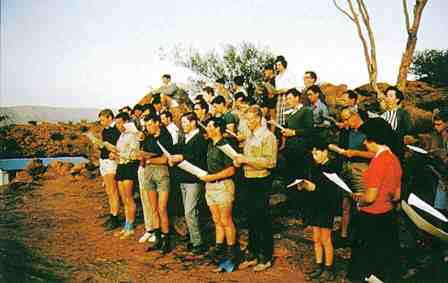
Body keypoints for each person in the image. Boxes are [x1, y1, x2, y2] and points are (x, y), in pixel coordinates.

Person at [347, 118, 402, 282]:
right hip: (387, 216)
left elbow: (370, 197)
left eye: (366, 139)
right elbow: (397, 195)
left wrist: (359, 200)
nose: (364, 143)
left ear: (374, 140)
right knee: (383, 262)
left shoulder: (379, 161)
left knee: (366, 262)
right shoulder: (394, 158)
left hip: (371, 217)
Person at [234, 105, 277, 272]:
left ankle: (265, 256)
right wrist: (238, 160)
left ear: (259, 118)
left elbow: (270, 162)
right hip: (248, 179)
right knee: (250, 217)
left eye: (250, 119)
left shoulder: (268, 137)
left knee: (262, 218)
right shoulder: (249, 137)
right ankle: (252, 254)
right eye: (246, 120)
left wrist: (246, 160)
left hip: (261, 180)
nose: (248, 123)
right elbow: (247, 158)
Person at [297, 139, 339, 281]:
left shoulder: (332, 167)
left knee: (325, 239)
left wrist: (314, 188)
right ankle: (319, 265)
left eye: (317, 153)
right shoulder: (315, 166)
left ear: (325, 152)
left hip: (326, 207)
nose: (314, 156)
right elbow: (312, 184)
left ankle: (329, 268)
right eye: (313, 153)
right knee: (316, 238)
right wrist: (304, 186)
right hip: (314, 206)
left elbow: (331, 191)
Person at [169, 112, 208, 255]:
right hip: (184, 178)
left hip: (194, 180)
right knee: (190, 212)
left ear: (193, 123)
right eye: (182, 123)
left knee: (190, 212)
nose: (183, 125)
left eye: (185, 122)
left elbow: (199, 158)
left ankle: (198, 242)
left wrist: (182, 157)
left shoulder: (200, 139)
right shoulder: (185, 138)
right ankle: (194, 239)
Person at [199, 117, 238, 263]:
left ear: (217, 129)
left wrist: (212, 177)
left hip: (223, 185)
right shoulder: (210, 145)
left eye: (209, 126)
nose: (207, 129)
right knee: (216, 220)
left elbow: (231, 170)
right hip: (211, 186)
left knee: (225, 219)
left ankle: (232, 251)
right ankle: (219, 247)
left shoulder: (225, 145)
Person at [140, 114, 174, 254]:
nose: (147, 128)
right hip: (149, 173)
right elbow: (144, 157)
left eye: (149, 125)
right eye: (146, 125)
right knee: (153, 208)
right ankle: (158, 238)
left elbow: (165, 160)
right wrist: (144, 157)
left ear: (157, 123)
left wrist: (149, 160)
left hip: (161, 173)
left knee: (162, 208)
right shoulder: (148, 138)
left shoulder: (166, 137)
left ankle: (166, 240)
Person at [109, 112, 140, 240]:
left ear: (127, 122)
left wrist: (119, 155)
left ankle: (130, 227)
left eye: (120, 122)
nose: (118, 125)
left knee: (129, 198)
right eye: (116, 123)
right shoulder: (121, 136)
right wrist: (115, 156)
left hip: (129, 167)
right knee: (124, 199)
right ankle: (126, 226)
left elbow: (134, 155)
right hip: (121, 167)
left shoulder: (133, 135)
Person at [98, 109, 121, 231]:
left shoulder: (116, 130)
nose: (101, 122)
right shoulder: (105, 131)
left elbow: (119, 147)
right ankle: (112, 214)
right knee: (109, 191)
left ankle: (115, 217)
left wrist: (113, 152)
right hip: (104, 162)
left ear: (109, 117)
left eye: (102, 119)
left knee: (113, 191)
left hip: (111, 163)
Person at [275, 56, 296, 125]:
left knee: (287, 114)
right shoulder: (277, 77)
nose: (277, 67)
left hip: (288, 95)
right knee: (279, 115)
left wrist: (285, 90)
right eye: (277, 65)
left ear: (283, 65)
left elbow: (293, 87)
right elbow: (277, 88)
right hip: (279, 96)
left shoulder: (289, 74)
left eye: (279, 65)